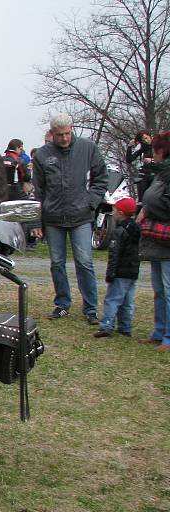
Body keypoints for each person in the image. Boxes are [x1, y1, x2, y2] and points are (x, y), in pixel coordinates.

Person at [33, 113, 108, 324]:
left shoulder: (87, 148)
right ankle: (62, 304)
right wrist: (36, 221)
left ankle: (90, 308)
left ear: (72, 128)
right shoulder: (42, 155)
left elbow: (101, 179)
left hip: (81, 216)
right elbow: (38, 191)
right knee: (57, 263)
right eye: (59, 135)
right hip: (53, 216)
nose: (64, 138)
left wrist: (90, 203)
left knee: (84, 262)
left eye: (67, 133)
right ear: (52, 133)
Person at [135, 130, 170, 350]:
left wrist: (148, 208)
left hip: (166, 238)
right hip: (158, 238)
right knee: (159, 288)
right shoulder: (161, 173)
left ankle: (169, 336)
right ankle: (159, 331)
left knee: (168, 289)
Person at [94, 197, 141, 338]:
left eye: (114, 210)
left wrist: (110, 273)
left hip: (120, 271)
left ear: (120, 213)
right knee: (127, 301)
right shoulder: (136, 229)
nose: (112, 213)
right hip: (132, 271)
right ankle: (125, 327)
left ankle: (106, 325)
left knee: (112, 299)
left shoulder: (119, 231)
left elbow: (114, 254)